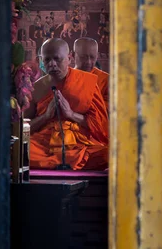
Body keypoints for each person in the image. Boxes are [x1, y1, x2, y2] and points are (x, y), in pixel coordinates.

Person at [24, 38, 108, 170]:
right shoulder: (36, 88)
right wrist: (45, 116)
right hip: (45, 145)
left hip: (79, 143)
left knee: (109, 155)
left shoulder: (86, 82)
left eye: (57, 59)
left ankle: (54, 164)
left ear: (69, 58)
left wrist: (71, 114)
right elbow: (25, 128)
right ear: (41, 60)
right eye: (47, 60)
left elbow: (100, 125)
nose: (52, 64)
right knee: (14, 151)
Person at [73, 37, 109, 107]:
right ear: (73, 55)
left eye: (92, 57)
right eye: (83, 57)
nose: (88, 62)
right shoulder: (65, 77)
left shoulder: (105, 79)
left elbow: (106, 111)